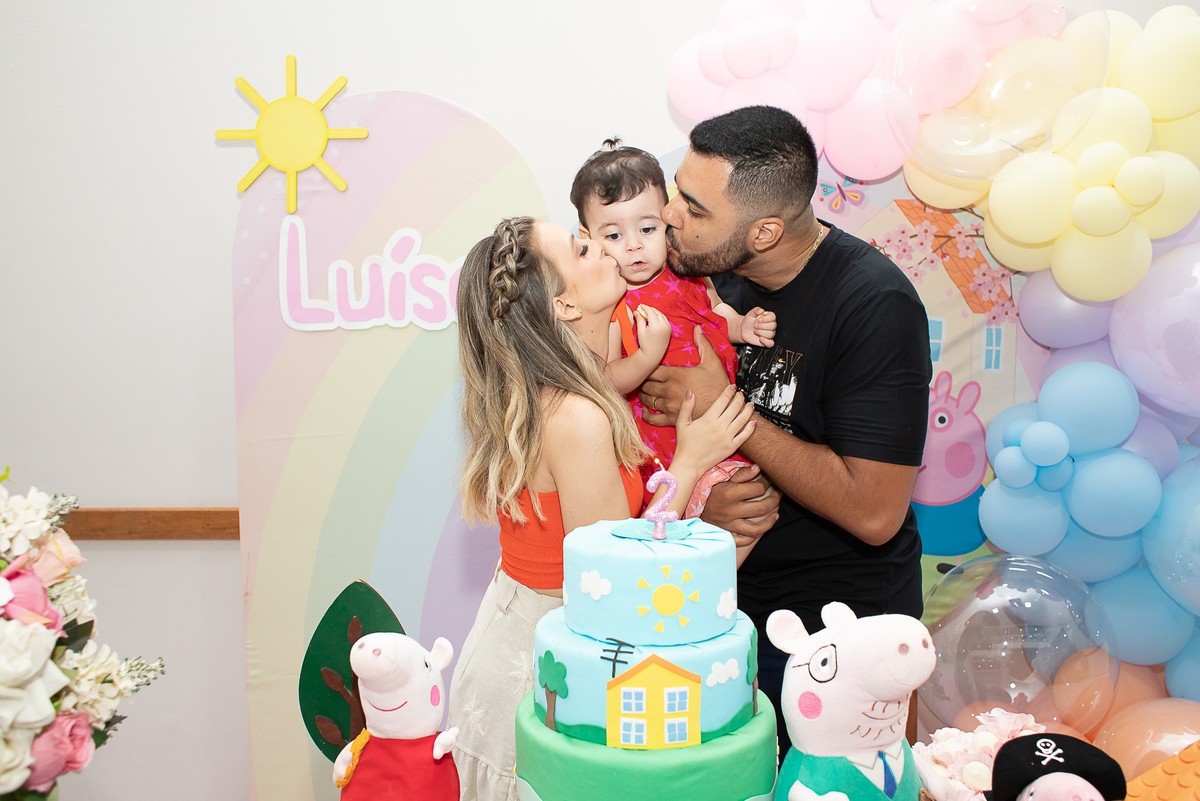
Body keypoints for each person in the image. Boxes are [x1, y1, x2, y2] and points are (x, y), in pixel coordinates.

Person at [637, 105, 933, 759]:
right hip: (723, 609)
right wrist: (699, 503)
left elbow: (874, 511)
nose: (670, 215)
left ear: (765, 231)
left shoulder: (873, 305)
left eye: (694, 208)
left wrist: (727, 408)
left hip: (839, 628)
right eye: (677, 191)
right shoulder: (704, 279)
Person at [449, 215, 756, 801]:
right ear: (564, 305)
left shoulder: (574, 389)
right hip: (545, 665)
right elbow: (610, 579)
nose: (606, 249)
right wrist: (691, 462)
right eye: (583, 248)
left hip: (540, 636)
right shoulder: (577, 416)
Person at [569, 140, 777, 520]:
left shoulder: (687, 269)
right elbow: (607, 378)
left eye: (647, 228)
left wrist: (743, 326)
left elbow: (716, 311)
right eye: (613, 236)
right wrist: (648, 355)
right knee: (717, 511)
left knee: (756, 504)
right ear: (588, 238)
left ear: (667, 219)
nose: (634, 246)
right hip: (665, 432)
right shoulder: (611, 300)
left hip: (719, 409)